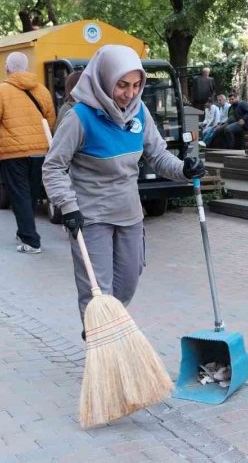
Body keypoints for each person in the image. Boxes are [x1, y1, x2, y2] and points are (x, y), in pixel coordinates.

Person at [42, 45, 205, 339]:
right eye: (122, 85)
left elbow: (158, 155)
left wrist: (184, 169)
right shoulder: (80, 118)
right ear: (105, 79)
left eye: (136, 85)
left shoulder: (139, 112)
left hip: (129, 213)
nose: (130, 93)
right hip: (91, 217)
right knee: (97, 290)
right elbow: (53, 167)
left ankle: (106, 326)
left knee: (128, 282)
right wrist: (67, 206)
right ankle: (100, 340)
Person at [0, 52, 56, 254]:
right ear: (26, 67)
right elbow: (51, 122)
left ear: (7, 68)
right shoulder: (42, 91)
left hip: (13, 154)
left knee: (20, 196)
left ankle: (31, 241)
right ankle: (24, 232)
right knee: (31, 195)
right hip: (40, 153)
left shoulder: (0, 91)